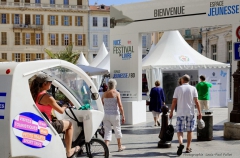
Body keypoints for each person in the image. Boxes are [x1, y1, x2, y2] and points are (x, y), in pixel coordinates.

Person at [30, 72, 80, 158]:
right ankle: (69, 151)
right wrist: (65, 105)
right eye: (49, 82)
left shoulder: (34, 94)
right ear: (44, 84)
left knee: (60, 122)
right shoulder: (48, 97)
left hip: (40, 124)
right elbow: (60, 111)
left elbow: (47, 103)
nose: (51, 83)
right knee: (70, 125)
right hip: (49, 125)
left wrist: (56, 102)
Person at [169, 74, 202, 156]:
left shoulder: (178, 89)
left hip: (180, 113)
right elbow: (197, 102)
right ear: (188, 80)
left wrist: (171, 111)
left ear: (182, 80)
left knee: (179, 130)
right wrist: (199, 112)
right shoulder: (193, 88)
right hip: (190, 113)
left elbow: (174, 101)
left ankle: (180, 144)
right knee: (190, 131)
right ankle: (188, 147)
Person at [102, 79, 126, 152]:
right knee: (117, 129)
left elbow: (101, 104)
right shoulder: (116, 93)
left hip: (106, 115)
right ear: (115, 85)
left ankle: (105, 149)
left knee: (107, 131)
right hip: (115, 114)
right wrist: (123, 115)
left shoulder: (104, 94)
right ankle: (119, 146)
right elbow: (120, 105)